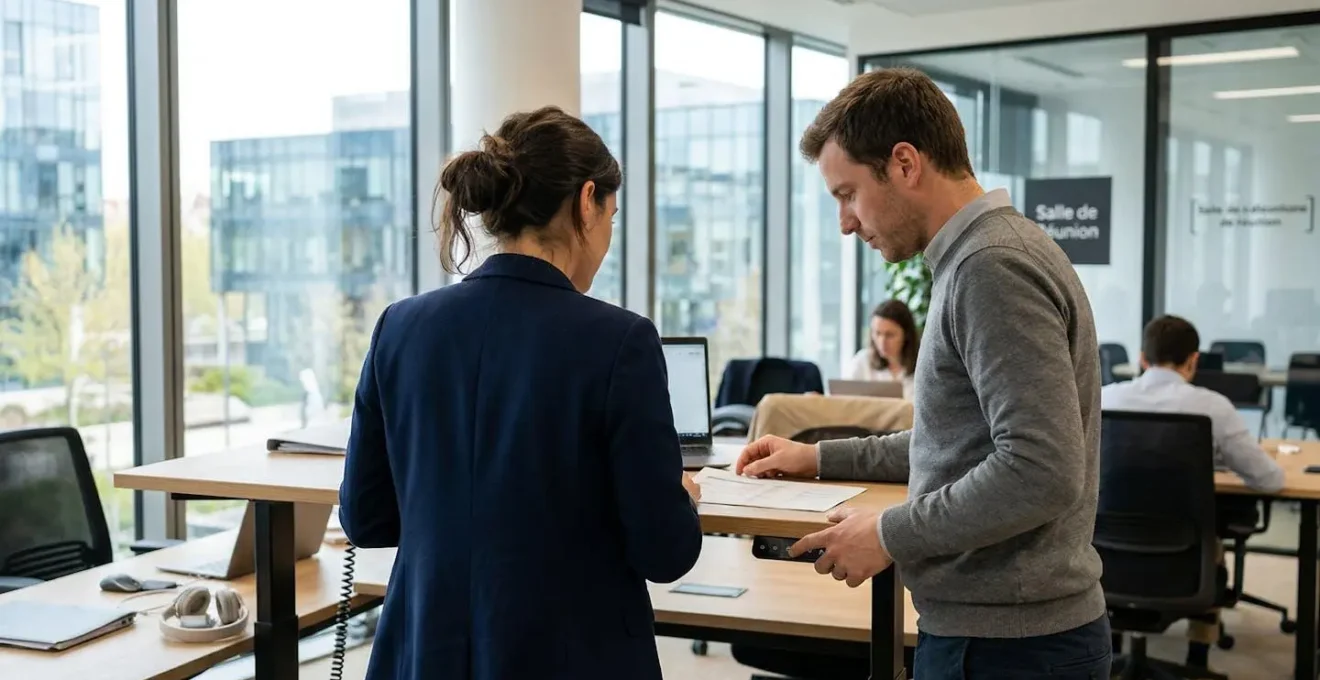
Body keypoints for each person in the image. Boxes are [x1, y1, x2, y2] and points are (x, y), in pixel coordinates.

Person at [736, 67, 1110, 679]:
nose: (845, 222)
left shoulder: (991, 268)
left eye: (848, 194)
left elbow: (1041, 470)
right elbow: (955, 444)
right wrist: (819, 457)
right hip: (1000, 635)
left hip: (1007, 647)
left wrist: (889, 534)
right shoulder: (980, 257)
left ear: (905, 164)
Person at [338, 106, 704, 680]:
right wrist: (680, 498)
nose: (607, 238)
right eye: (611, 216)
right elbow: (665, 552)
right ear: (588, 201)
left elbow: (366, 519)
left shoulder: (399, 327)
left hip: (422, 655)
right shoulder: (620, 341)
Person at [1101, 314, 1284, 669]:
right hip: (1184, 560)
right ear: (1193, 360)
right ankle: (1197, 660)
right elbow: (1270, 480)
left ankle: (1110, 652)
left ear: (1142, 358)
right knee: (1210, 538)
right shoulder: (1212, 407)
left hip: (1107, 557)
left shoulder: (1104, 400)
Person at [842, 299, 919, 399]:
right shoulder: (863, 361)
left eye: (890, 335)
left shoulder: (922, 366)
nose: (882, 342)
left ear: (906, 334)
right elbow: (843, 398)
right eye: (877, 333)